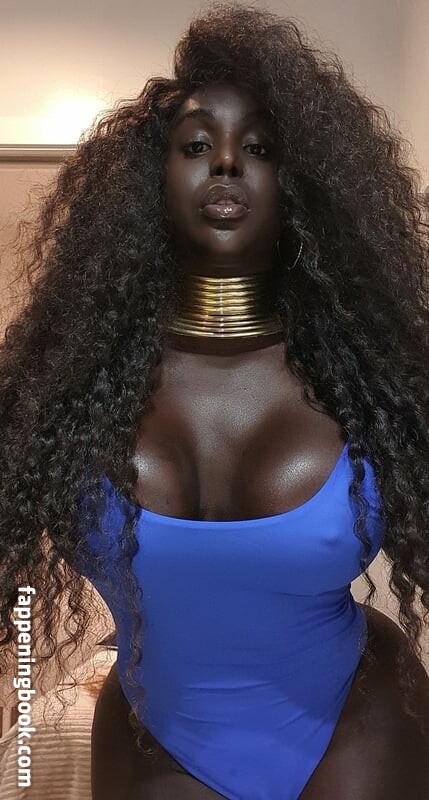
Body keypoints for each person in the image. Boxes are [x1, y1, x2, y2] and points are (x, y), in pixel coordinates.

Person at [1, 2, 429, 798]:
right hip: (158, 739)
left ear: (297, 186)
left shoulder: (379, 379)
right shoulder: (57, 387)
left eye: (257, 148)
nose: (226, 163)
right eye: (196, 145)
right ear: (150, 180)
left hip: (357, 723)